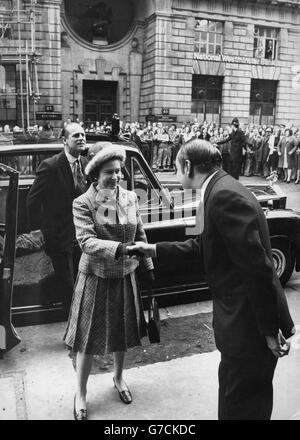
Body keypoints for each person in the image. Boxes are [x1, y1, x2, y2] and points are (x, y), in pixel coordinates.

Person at [128, 139, 295, 420]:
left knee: (242, 408)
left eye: (179, 169)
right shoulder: (219, 189)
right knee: (234, 402)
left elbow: (259, 271)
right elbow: (201, 248)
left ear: (189, 166)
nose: (177, 176)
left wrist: (268, 330)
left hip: (248, 328)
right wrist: (152, 249)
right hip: (242, 326)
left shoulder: (223, 196)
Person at [64, 144, 154, 420]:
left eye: (118, 171)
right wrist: (121, 249)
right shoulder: (83, 203)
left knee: (122, 333)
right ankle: (81, 392)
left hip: (126, 274)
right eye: (108, 173)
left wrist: (148, 264)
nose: (116, 177)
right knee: (87, 339)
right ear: (94, 175)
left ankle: (118, 378)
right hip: (95, 276)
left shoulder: (130, 197)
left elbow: (139, 230)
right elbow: (86, 241)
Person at [27, 123, 89, 315]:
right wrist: (37, 230)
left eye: (83, 134)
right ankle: (73, 330)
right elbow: (32, 200)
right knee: (69, 285)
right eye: (75, 135)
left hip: (81, 234)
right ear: (65, 141)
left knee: (81, 281)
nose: (81, 138)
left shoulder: (85, 164)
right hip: (58, 236)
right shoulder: (51, 165)